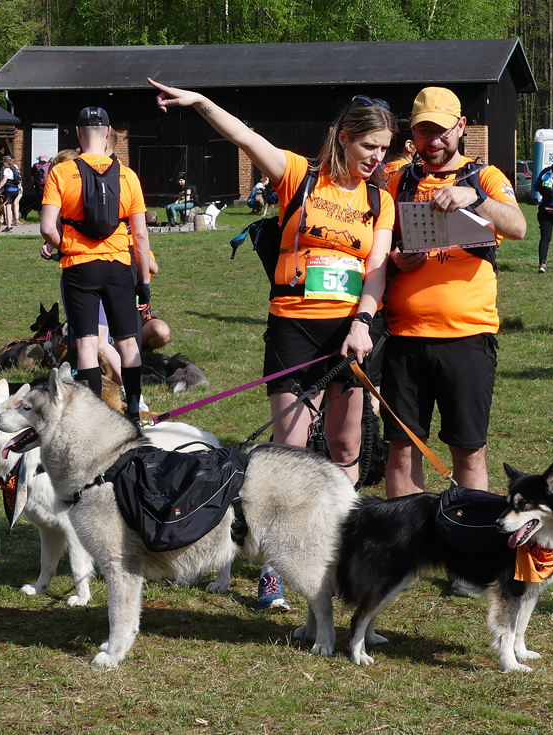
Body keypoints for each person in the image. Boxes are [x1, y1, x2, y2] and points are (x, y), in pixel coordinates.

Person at [151, 78, 397, 610]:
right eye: (368, 146)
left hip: (350, 332)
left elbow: (376, 269)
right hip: (294, 329)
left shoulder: (380, 200)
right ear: (344, 138)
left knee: (347, 449)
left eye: (383, 148)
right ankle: (274, 567)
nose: (376, 158)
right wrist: (201, 102)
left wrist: (363, 322)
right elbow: (244, 137)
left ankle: (336, 552)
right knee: (289, 452)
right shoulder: (298, 175)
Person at [381, 86, 526, 499]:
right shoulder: (397, 179)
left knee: (469, 451)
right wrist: (394, 260)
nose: (433, 141)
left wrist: (475, 199)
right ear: (412, 132)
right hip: (404, 338)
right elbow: (375, 244)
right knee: (402, 451)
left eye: (442, 131)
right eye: (424, 131)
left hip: (467, 337)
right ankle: (408, 539)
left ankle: (466, 534)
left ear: (461, 127)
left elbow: (517, 226)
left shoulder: (484, 177)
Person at [39, 105, 152, 428]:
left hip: (79, 267)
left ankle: (93, 420)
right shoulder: (128, 176)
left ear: (77, 134)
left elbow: (47, 227)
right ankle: (133, 410)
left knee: (87, 344)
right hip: (119, 266)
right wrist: (143, 281)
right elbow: (140, 235)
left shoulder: (61, 172)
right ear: (108, 132)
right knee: (127, 342)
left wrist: (66, 247)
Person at [0, 155, 21, 231]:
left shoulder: (6, 170)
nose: (3, 164)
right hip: (16, 190)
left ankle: (9, 225)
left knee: (8, 207)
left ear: (6, 162)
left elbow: (4, 181)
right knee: (14, 205)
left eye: (3, 163)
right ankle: (15, 220)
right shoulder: (15, 168)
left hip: (9, 190)